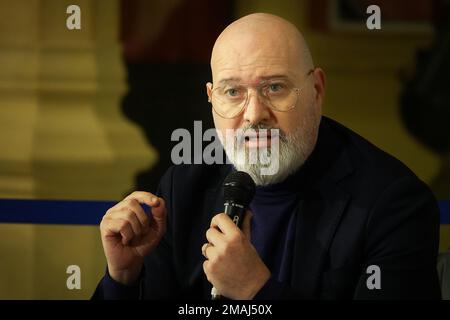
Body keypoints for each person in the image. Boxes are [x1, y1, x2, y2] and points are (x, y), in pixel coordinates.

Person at [93, 13, 441, 299]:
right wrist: (122, 279)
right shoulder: (182, 188)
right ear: (212, 99)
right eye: (233, 92)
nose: (254, 114)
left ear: (316, 91)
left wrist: (257, 290)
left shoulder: (393, 204)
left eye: (275, 88)